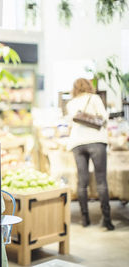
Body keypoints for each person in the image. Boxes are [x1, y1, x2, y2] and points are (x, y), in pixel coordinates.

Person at [66, 78, 114, 230]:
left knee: (82, 181)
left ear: (75, 88)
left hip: (77, 144)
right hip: (96, 141)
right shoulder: (95, 98)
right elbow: (104, 118)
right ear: (88, 86)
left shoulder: (71, 103)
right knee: (101, 180)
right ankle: (107, 220)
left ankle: (84, 219)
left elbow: (70, 124)